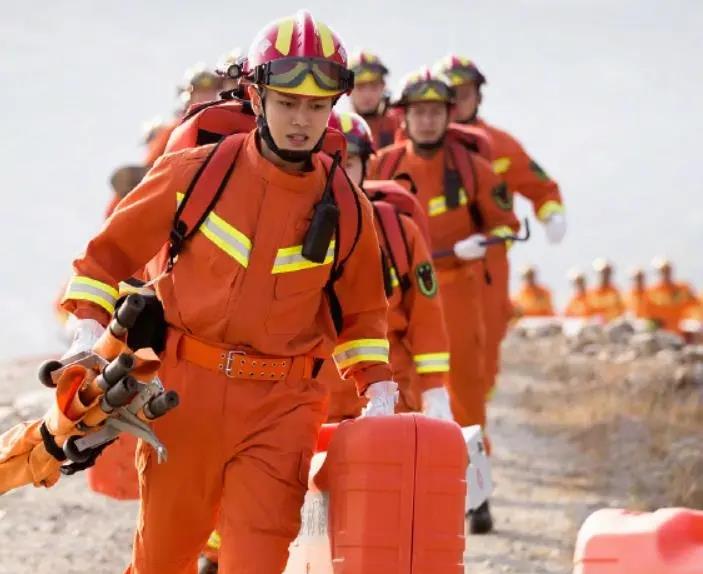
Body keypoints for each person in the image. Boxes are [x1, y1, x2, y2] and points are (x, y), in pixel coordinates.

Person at [61, 11, 394, 573]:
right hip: (183, 394)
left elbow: (363, 315)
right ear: (257, 98)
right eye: (288, 103)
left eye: (316, 107)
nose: (301, 120)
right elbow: (107, 254)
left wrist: (378, 389)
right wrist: (88, 326)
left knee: (255, 559)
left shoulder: (348, 207)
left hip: (283, 409)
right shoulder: (194, 172)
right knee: (162, 559)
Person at [372, 68, 519, 533]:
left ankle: (476, 496)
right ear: (404, 117)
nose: (429, 121)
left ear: (449, 115)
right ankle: (401, 490)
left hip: (457, 288)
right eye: (420, 112)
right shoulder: (382, 164)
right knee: (395, 390)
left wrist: (485, 242)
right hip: (398, 293)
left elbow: (507, 225)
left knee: (466, 396)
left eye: (436, 112)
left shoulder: (472, 167)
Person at [433, 54, 565, 399]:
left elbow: (540, 185)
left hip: (488, 267)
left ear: (479, 96)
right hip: (438, 263)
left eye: (466, 91)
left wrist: (551, 213)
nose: (459, 99)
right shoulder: (421, 149)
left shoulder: (499, 145)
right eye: (452, 91)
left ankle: (475, 430)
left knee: (485, 346)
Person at [322, 111, 453, 421]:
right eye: (328, 161)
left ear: (368, 166)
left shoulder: (398, 231)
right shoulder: (285, 225)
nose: (338, 172)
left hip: (389, 392)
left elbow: (426, 314)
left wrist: (434, 389)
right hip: (311, 395)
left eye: (349, 162)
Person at [348, 51, 401, 148]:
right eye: (360, 87)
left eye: (374, 86)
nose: (367, 94)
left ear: (383, 87)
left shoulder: (400, 125)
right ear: (348, 90)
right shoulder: (335, 129)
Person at [645, 257, 698, 333]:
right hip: (662, 331)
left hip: (682, 329)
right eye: (663, 271)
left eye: (667, 270)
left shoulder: (683, 287)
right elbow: (648, 315)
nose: (666, 273)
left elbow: (695, 306)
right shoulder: (651, 291)